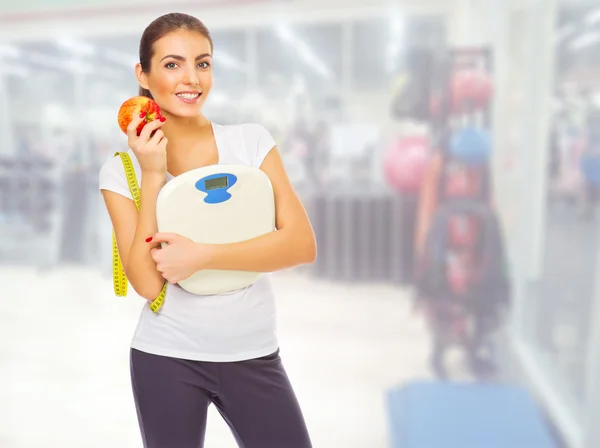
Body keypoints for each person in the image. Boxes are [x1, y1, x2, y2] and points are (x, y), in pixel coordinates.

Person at [98, 12, 316, 448]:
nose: (191, 79)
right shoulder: (121, 171)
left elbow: (300, 244)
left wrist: (204, 256)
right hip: (165, 358)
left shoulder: (250, 143)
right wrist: (154, 173)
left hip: (253, 353)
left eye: (203, 63)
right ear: (143, 73)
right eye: (173, 64)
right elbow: (145, 282)